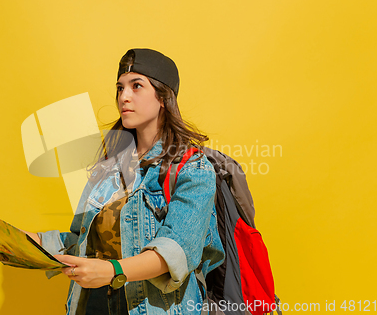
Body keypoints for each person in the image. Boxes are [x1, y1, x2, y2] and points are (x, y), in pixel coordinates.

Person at [21, 48, 225, 314]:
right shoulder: (108, 166)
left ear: (163, 98)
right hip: (92, 306)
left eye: (136, 86)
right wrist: (29, 243)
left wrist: (112, 270)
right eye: (120, 88)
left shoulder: (192, 169)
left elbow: (176, 252)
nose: (123, 97)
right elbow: (81, 239)